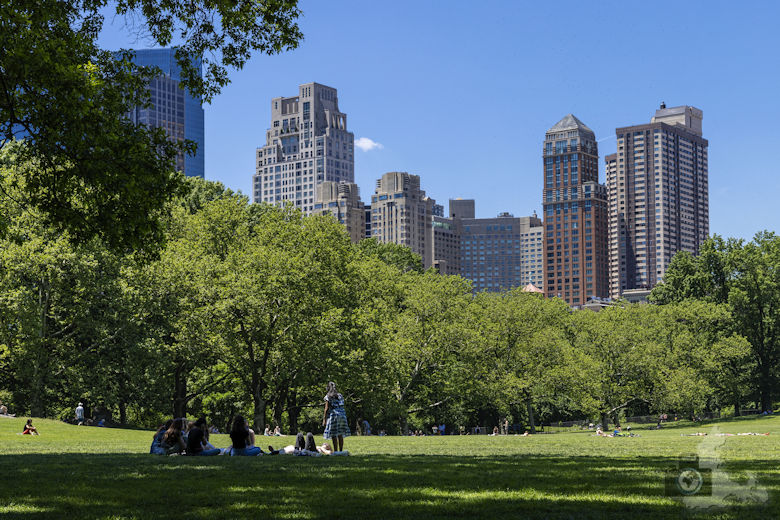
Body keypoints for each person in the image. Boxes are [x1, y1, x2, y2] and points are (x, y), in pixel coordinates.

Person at [322, 381, 350, 452]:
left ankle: (335, 451)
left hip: (334, 415)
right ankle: (340, 450)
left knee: (334, 434)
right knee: (340, 434)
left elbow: (326, 409)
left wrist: (324, 420)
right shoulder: (340, 395)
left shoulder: (328, 396)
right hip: (342, 415)